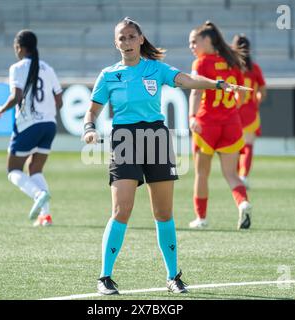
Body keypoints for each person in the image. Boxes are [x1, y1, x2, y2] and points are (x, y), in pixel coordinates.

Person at [83, 17, 251, 296]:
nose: (126, 42)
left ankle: (173, 276)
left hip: (157, 138)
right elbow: (92, 111)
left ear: (140, 39)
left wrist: (219, 85)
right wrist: (89, 128)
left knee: (163, 213)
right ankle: (105, 277)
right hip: (124, 140)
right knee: (120, 211)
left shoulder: (156, 69)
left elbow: (187, 80)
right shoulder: (108, 75)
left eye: (130, 36)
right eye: (121, 38)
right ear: (116, 43)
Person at [0, 30, 63, 227]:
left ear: (20, 48)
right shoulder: (47, 68)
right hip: (49, 125)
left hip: (28, 125)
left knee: (13, 169)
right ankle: (46, 216)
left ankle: (38, 194)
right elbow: (60, 100)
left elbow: (16, 96)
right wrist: (45, 112)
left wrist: (1, 109)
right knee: (35, 169)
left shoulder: (17, 68)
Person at [188, 21, 252, 230]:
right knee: (232, 174)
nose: (192, 47)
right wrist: (233, 108)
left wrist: (192, 117)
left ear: (207, 40)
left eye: (194, 42)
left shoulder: (201, 63)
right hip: (232, 123)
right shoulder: (232, 60)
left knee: (201, 174)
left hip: (207, 125)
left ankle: (201, 218)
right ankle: (243, 203)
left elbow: (196, 91)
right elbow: (241, 92)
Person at [232, 34, 267, 189]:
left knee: (235, 147)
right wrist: (256, 101)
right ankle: (243, 176)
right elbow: (263, 91)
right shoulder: (255, 68)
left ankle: (235, 176)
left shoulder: (231, 67)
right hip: (250, 114)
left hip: (233, 112)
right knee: (248, 147)